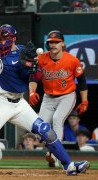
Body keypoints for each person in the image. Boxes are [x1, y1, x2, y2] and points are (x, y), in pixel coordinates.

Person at [0, 24, 90, 176]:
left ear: (13, 39)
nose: (2, 42)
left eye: (6, 38)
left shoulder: (22, 51)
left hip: (19, 103)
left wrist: (34, 72)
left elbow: (34, 76)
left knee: (46, 131)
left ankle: (69, 165)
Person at [29, 30, 88, 167]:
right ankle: (50, 150)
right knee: (40, 126)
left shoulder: (72, 60)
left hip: (67, 96)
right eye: (51, 42)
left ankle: (56, 155)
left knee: (57, 119)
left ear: (63, 44)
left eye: (56, 42)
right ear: (47, 44)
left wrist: (84, 100)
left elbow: (82, 81)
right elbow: (33, 77)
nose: (53, 44)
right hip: (48, 97)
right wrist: (32, 92)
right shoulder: (41, 59)